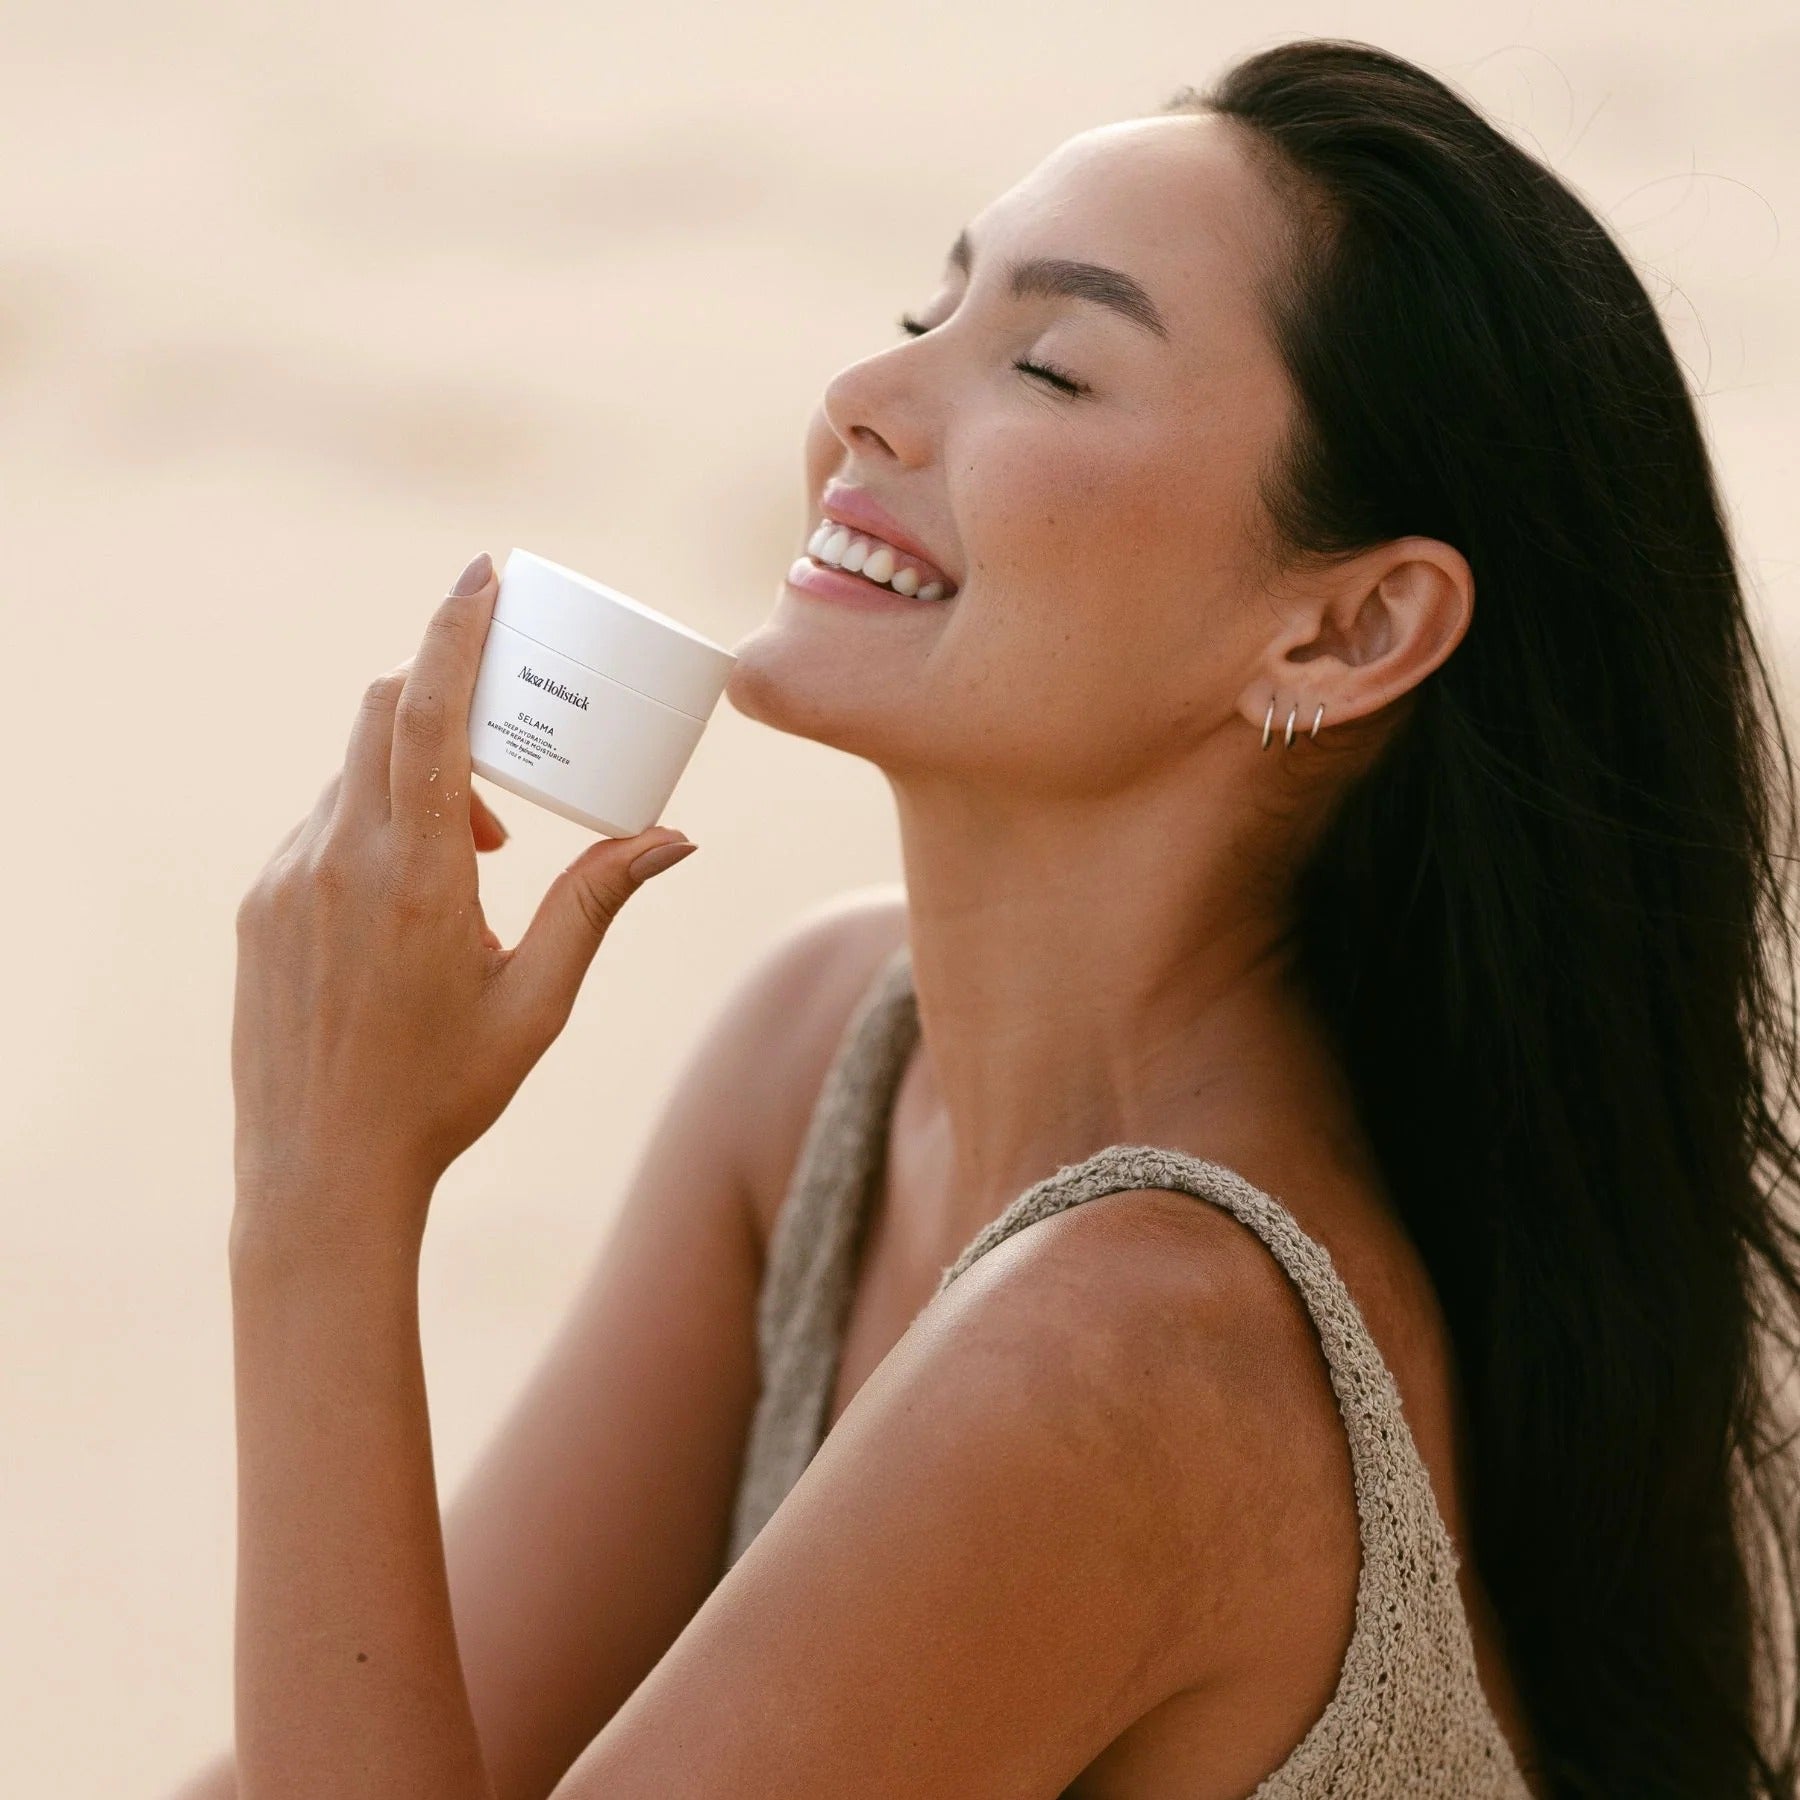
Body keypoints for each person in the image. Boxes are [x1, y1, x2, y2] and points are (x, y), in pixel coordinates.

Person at [173, 37, 1800, 1800]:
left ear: (1345, 633)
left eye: (1047, 365)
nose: (867, 391)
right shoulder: (835, 1054)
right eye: (924, 307)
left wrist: (322, 1204)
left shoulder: (1132, 1357)